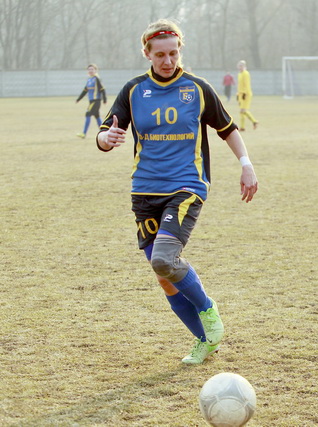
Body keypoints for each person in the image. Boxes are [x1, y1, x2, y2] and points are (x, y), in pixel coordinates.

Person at [96, 19, 258, 365]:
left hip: (186, 186)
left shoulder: (197, 88)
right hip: (144, 191)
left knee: (163, 260)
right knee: (164, 277)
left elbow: (228, 128)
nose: (168, 61)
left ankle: (208, 310)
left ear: (180, 50)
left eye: (173, 53)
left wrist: (246, 164)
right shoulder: (133, 90)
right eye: (160, 55)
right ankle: (204, 340)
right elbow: (106, 131)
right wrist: (105, 138)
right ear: (147, 54)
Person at [76, 63, 107, 139]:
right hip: (92, 101)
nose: (90, 71)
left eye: (92, 69)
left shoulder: (96, 79)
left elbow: (102, 89)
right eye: (89, 69)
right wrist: (79, 99)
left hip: (96, 101)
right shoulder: (89, 79)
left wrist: (104, 99)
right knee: (97, 116)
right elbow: (85, 90)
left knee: (88, 114)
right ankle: (104, 132)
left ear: (95, 70)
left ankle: (84, 133)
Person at [236, 60, 258, 131]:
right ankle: (242, 127)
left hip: (246, 94)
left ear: (244, 66)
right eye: (239, 66)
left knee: (243, 110)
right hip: (241, 94)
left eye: (241, 66)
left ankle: (254, 121)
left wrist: (245, 93)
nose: (240, 67)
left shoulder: (246, 73)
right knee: (241, 111)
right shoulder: (239, 74)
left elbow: (247, 84)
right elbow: (240, 85)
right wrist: (238, 93)